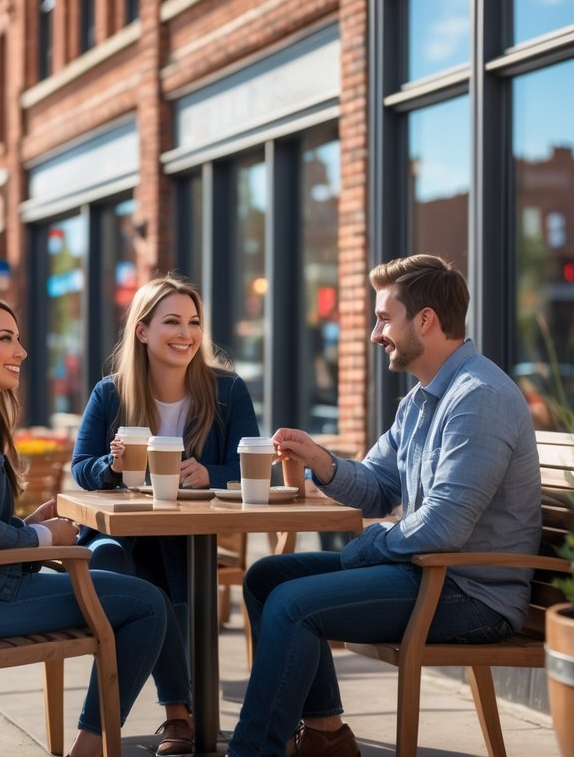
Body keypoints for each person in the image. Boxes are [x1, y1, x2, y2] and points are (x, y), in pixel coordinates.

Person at [227, 255, 542, 757]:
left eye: (383, 318)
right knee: (267, 580)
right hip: (427, 574)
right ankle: (328, 737)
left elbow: (444, 525)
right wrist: (322, 462)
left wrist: (368, 546)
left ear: (425, 320)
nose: (376, 335)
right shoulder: (420, 399)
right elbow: (377, 486)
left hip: (470, 595)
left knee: (293, 604)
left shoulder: (479, 398)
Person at [0, 294, 167, 757]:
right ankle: (93, 746)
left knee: (113, 560)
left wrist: (26, 525)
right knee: (148, 604)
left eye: (18, 339)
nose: (20, 351)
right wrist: (44, 537)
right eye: (5, 339)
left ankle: (153, 718)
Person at [72, 274, 259, 755]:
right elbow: (81, 469)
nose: (186, 333)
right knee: (113, 563)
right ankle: (173, 713)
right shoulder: (109, 394)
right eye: (172, 321)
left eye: (193, 322)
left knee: (167, 563)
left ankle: (177, 712)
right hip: (121, 534)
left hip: (186, 532)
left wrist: (209, 475)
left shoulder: (227, 391)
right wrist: (111, 465)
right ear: (142, 331)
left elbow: (246, 467)